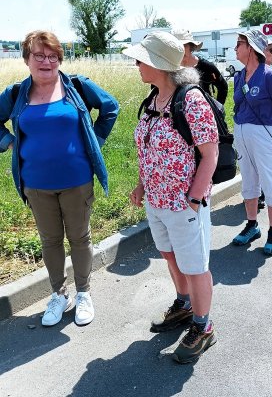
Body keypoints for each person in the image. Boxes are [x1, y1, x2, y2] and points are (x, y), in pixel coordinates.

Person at [0, 30, 119, 327]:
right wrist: (10, 142)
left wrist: (95, 141)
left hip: (77, 181)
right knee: (50, 240)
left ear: (59, 60)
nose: (46, 61)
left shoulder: (76, 86)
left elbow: (110, 108)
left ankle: (83, 293)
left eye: (53, 56)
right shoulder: (16, 94)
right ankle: (58, 294)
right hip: (36, 184)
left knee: (80, 238)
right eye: (39, 55)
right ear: (26, 59)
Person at [123, 31, 219, 364]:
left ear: (158, 65)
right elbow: (147, 148)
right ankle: (184, 305)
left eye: (140, 59)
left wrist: (193, 199)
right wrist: (141, 185)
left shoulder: (191, 100)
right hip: (157, 201)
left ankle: (203, 327)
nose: (136, 64)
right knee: (171, 257)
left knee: (195, 268)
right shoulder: (152, 100)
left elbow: (210, 154)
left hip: (183, 203)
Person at [232, 30, 272, 255]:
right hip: (242, 133)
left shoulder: (268, 74)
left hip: (263, 133)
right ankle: (251, 225)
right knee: (248, 180)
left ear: (251, 48)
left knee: (269, 181)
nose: (235, 49)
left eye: (239, 44)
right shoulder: (239, 75)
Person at [173, 29, 228, 104]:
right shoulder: (167, 68)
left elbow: (223, 87)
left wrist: (217, 109)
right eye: (175, 46)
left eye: (183, 45)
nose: (179, 49)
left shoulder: (206, 66)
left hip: (203, 113)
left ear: (191, 46)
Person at [258, 39, 272, 211]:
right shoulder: (246, 73)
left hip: (266, 128)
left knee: (266, 167)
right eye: (271, 50)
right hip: (250, 129)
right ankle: (257, 194)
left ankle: (265, 195)